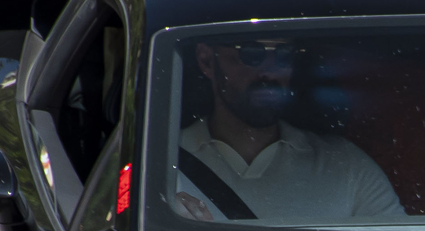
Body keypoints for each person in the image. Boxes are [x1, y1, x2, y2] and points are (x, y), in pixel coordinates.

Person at [172, 37, 405, 221]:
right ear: (207, 61)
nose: (269, 71)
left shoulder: (347, 166)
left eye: (283, 56)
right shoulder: (161, 166)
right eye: (252, 54)